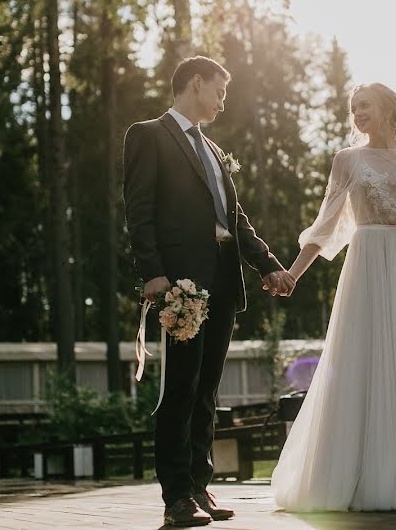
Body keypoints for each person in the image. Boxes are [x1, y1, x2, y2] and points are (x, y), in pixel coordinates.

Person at [123, 55, 296, 527]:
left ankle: (200, 488)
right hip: (181, 284)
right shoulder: (149, 135)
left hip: (223, 282)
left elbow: (234, 222)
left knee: (206, 391)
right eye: (218, 91)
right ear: (195, 84)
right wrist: (153, 272)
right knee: (179, 389)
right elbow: (138, 209)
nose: (222, 101)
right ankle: (176, 496)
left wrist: (270, 266)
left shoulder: (217, 153)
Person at [271, 82, 396, 512]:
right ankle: (356, 477)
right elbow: (326, 224)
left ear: (388, 107)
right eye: (353, 109)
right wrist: (293, 273)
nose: (357, 114)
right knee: (364, 362)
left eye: (364, 105)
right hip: (368, 264)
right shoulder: (347, 161)